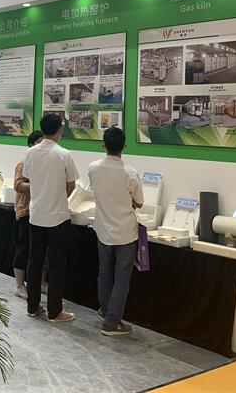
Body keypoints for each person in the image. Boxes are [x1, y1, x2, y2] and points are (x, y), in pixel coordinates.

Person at [88, 126, 144, 337]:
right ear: (125, 146)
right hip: (125, 232)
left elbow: (95, 190)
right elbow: (139, 202)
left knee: (104, 272)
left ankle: (105, 311)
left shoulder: (93, 168)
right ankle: (112, 322)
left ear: (103, 145)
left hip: (103, 229)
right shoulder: (130, 172)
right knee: (122, 278)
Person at [23, 113, 78, 324]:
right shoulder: (64, 154)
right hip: (58, 217)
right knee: (56, 265)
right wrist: (59, 197)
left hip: (36, 214)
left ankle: (32, 306)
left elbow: (29, 177)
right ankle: (55, 311)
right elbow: (71, 184)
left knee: (34, 261)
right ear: (60, 130)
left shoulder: (31, 152)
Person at [12, 129, 44, 299]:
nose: (41, 146)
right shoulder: (23, 163)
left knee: (40, 249)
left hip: (42, 210)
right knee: (24, 247)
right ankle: (19, 285)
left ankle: (41, 283)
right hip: (26, 210)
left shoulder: (46, 162)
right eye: (38, 142)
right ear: (31, 145)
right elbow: (18, 185)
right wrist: (37, 184)